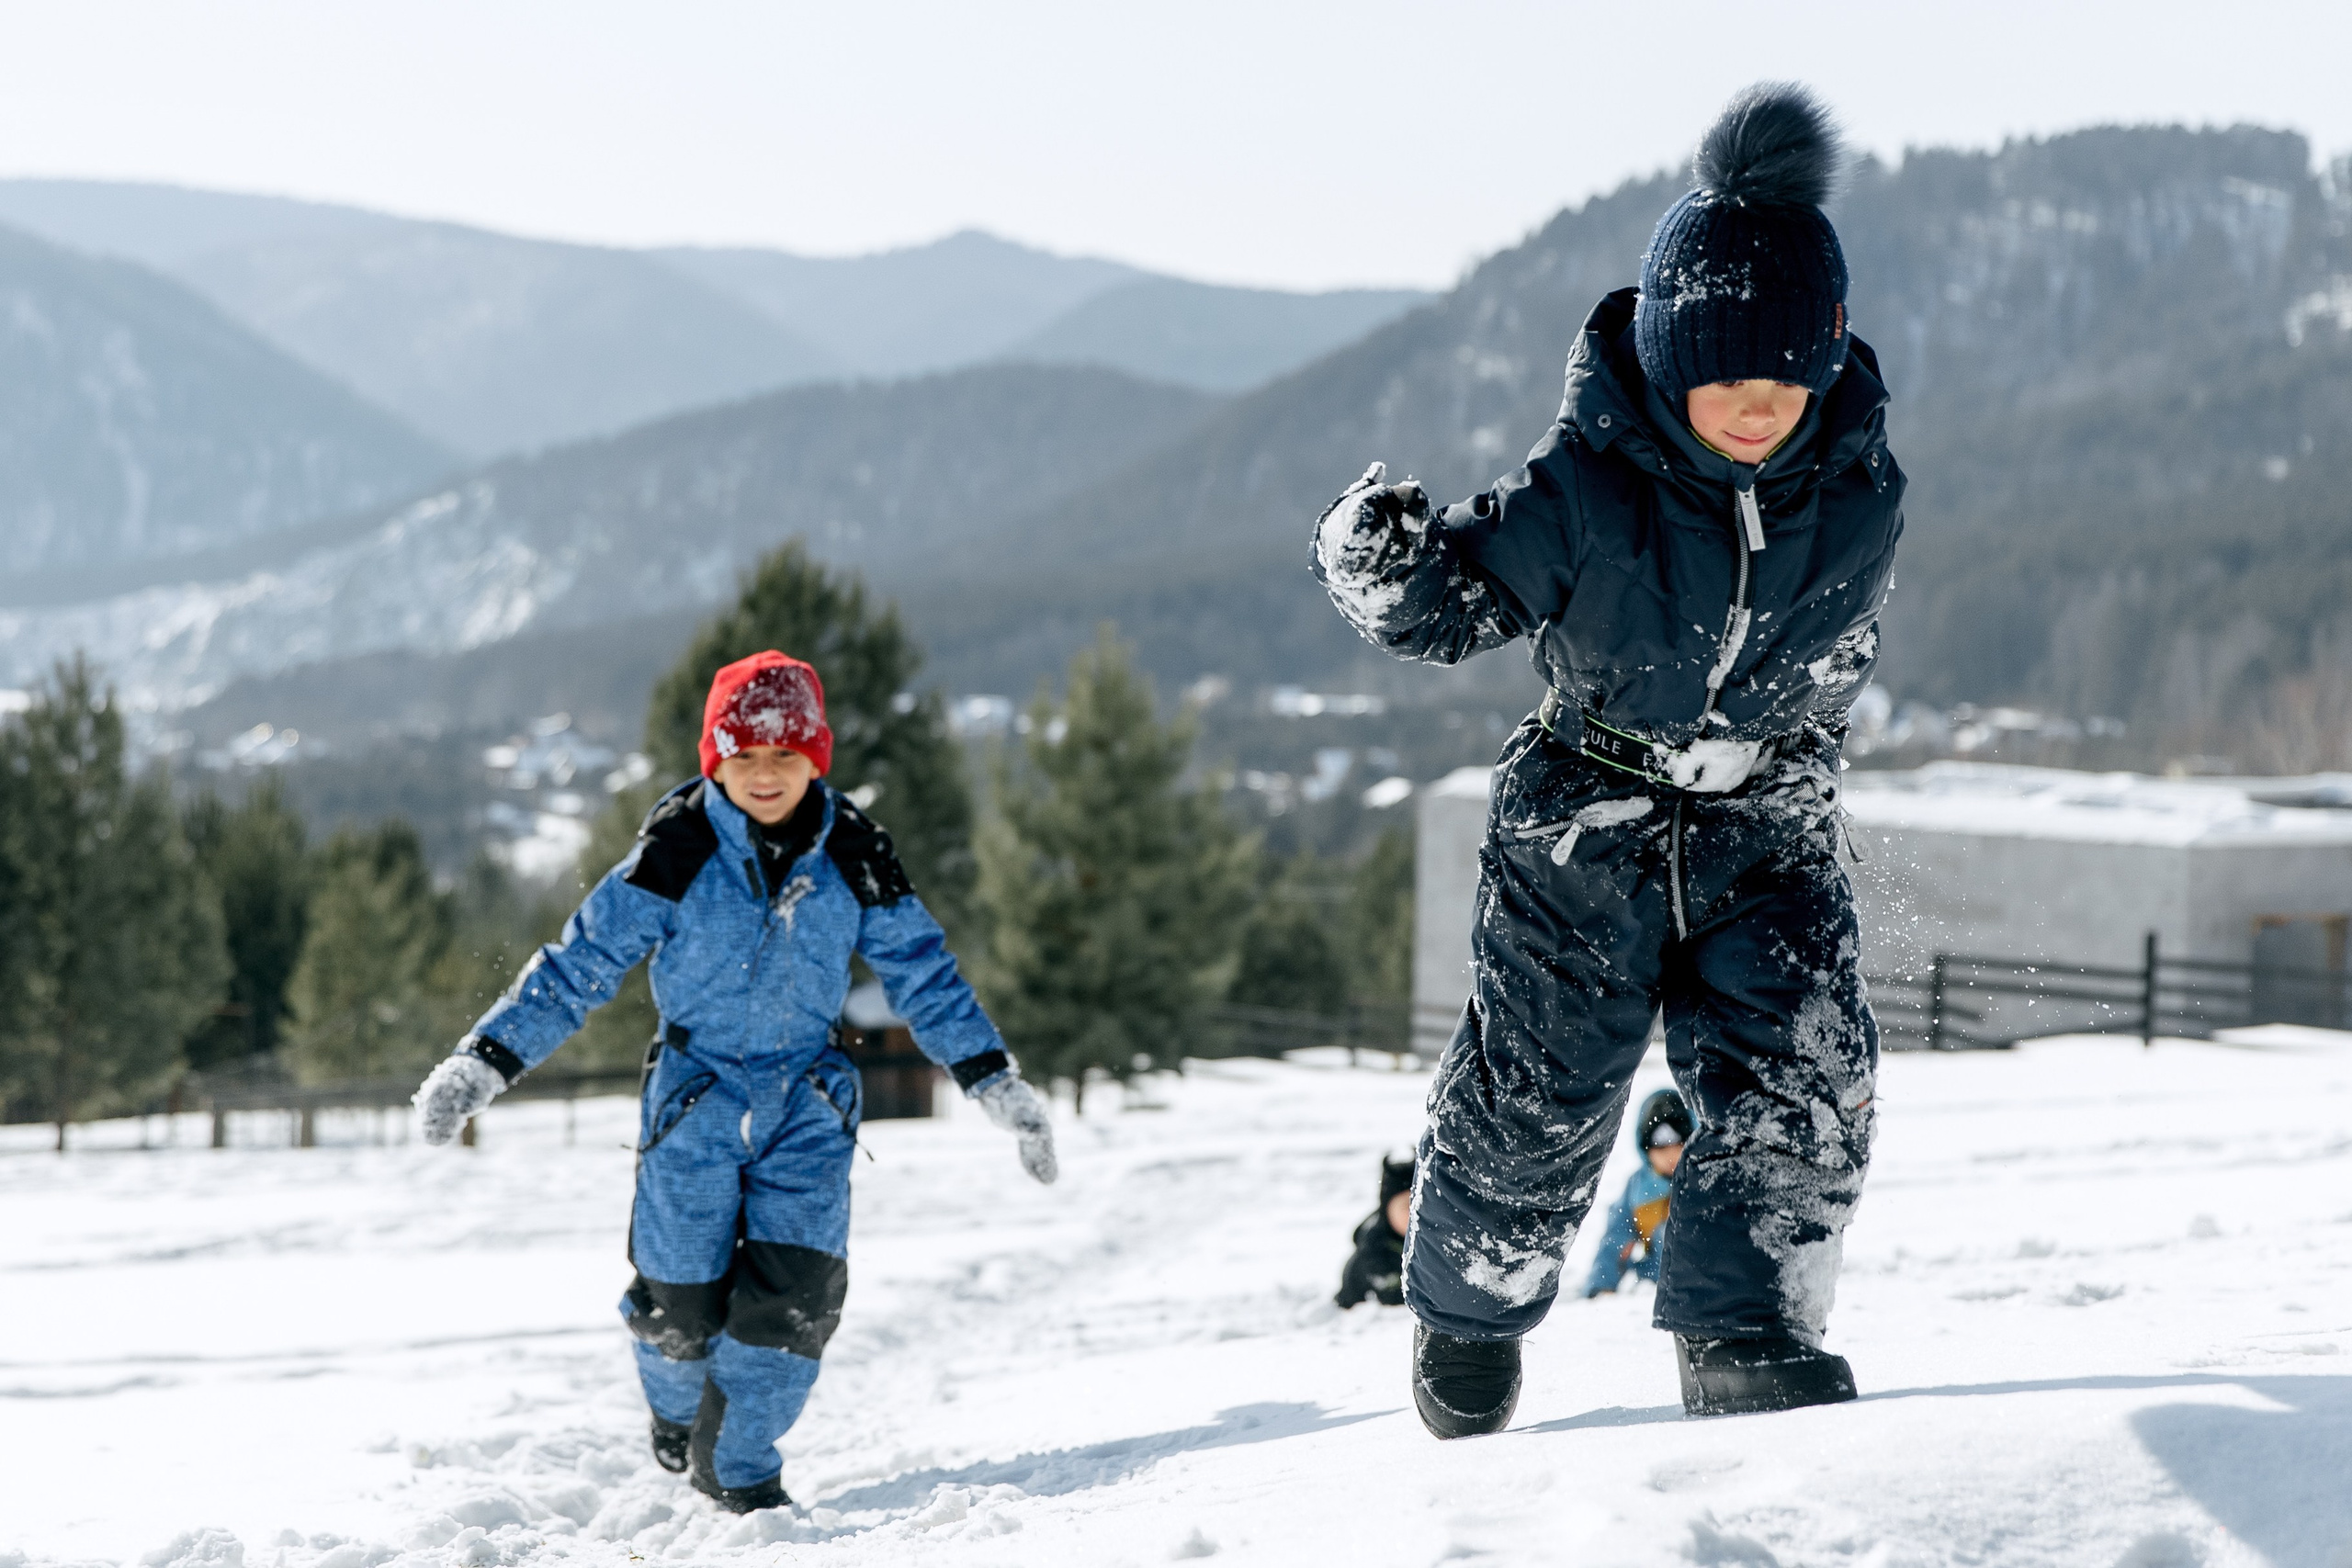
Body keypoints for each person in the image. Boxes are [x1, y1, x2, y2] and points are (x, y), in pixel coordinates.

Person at [1311, 83, 1899, 1435]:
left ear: (1826, 361)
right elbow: (1464, 594)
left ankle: (1746, 1326)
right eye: (1724, 378)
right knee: (1542, 1091)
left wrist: (1800, 770)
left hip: (1765, 821)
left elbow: (1835, 656)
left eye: (1784, 379)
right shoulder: (1590, 482)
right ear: (1668, 356)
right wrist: (1387, 570)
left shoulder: (1858, 490)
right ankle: (1470, 1310)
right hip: (1588, 820)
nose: (1756, 407)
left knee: (1805, 1071)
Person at [410, 650, 1057, 1513]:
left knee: (796, 1297)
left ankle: (744, 1469)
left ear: (815, 756)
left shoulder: (855, 850)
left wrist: (992, 1080)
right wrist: (485, 1058)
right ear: (716, 757)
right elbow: (579, 964)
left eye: (786, 754)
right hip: (697, 1095)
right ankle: (677, 1412)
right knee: (680, 1303)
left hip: (810, 1098)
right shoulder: (676, 848)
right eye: (744, 755)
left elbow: (924, 974)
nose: (765, 773)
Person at [1581, 1090, 1693, 1298]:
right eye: (1661, 1150)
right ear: (1646, 1150)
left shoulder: (1701, 1178)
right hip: (1656, 1278)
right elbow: (1615, 1238)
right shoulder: (1638, 1188)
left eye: (1678, 1146)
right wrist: (1602, 1285)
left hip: (1698, 1277)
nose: (1670, 1156)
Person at [1335, 1153, 1417, 1308]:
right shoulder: (1372, 1251)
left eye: (1419, 1206)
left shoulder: (1438, 1242)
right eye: (1406, 1207)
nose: (1413, 1214)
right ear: (1387, 1210)